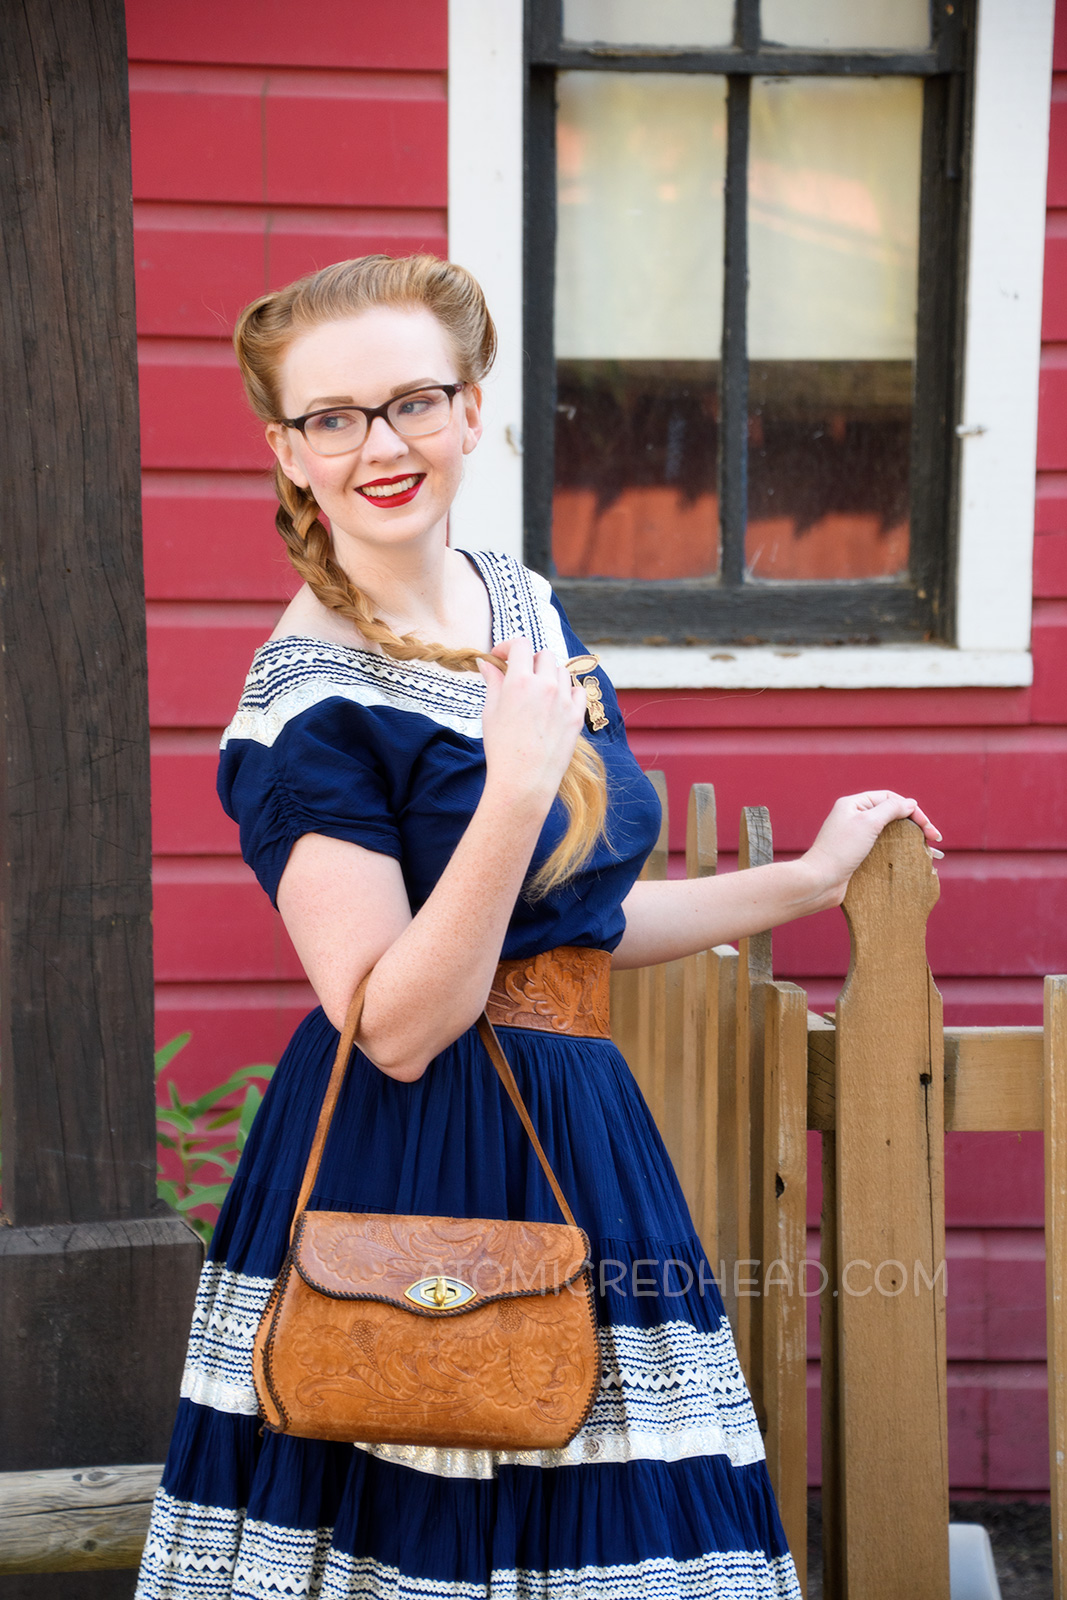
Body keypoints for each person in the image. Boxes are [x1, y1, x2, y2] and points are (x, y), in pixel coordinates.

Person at [135, 254, 941, 1600]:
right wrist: (513, 789)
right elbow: (394, 1023)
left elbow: (575, 930)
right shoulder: (302, 704)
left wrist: (808, 876)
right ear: (287, 448)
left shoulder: (520, 605)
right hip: (407, 1164)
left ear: (471, 408)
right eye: (332, 417)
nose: (380, 445)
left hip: (577, 1133)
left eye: (412, 401)